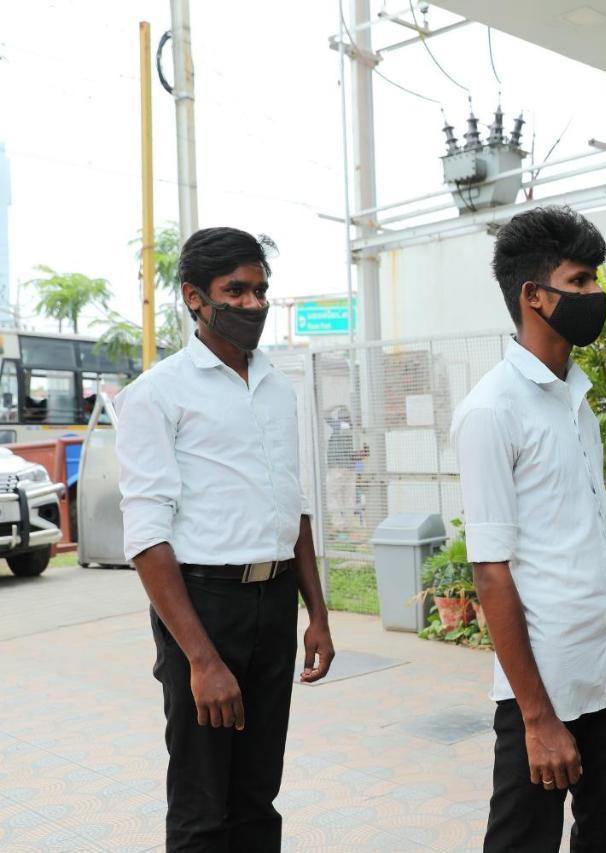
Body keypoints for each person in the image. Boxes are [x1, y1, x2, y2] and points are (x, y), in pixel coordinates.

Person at [116, 227, 335, 851]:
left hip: (275, 603)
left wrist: (316, 613)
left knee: (258, 796)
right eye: (233, 291)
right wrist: (201, 660)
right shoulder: (158, 394)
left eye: (260, 291)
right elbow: (147, 538)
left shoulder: (276, 385)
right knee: (201, 804)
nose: (252, 305)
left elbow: (293, 508)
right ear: (193, 297)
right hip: (204, 608)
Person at [451, 206, 606, 852]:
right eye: (582, 280)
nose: (596, 295)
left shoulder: (576, 400)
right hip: (538, 690)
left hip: (605, 672)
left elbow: (602, 538)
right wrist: (539, 718)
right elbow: (491, 570)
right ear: (534, 296)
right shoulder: (491, 410)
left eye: (596, 279)